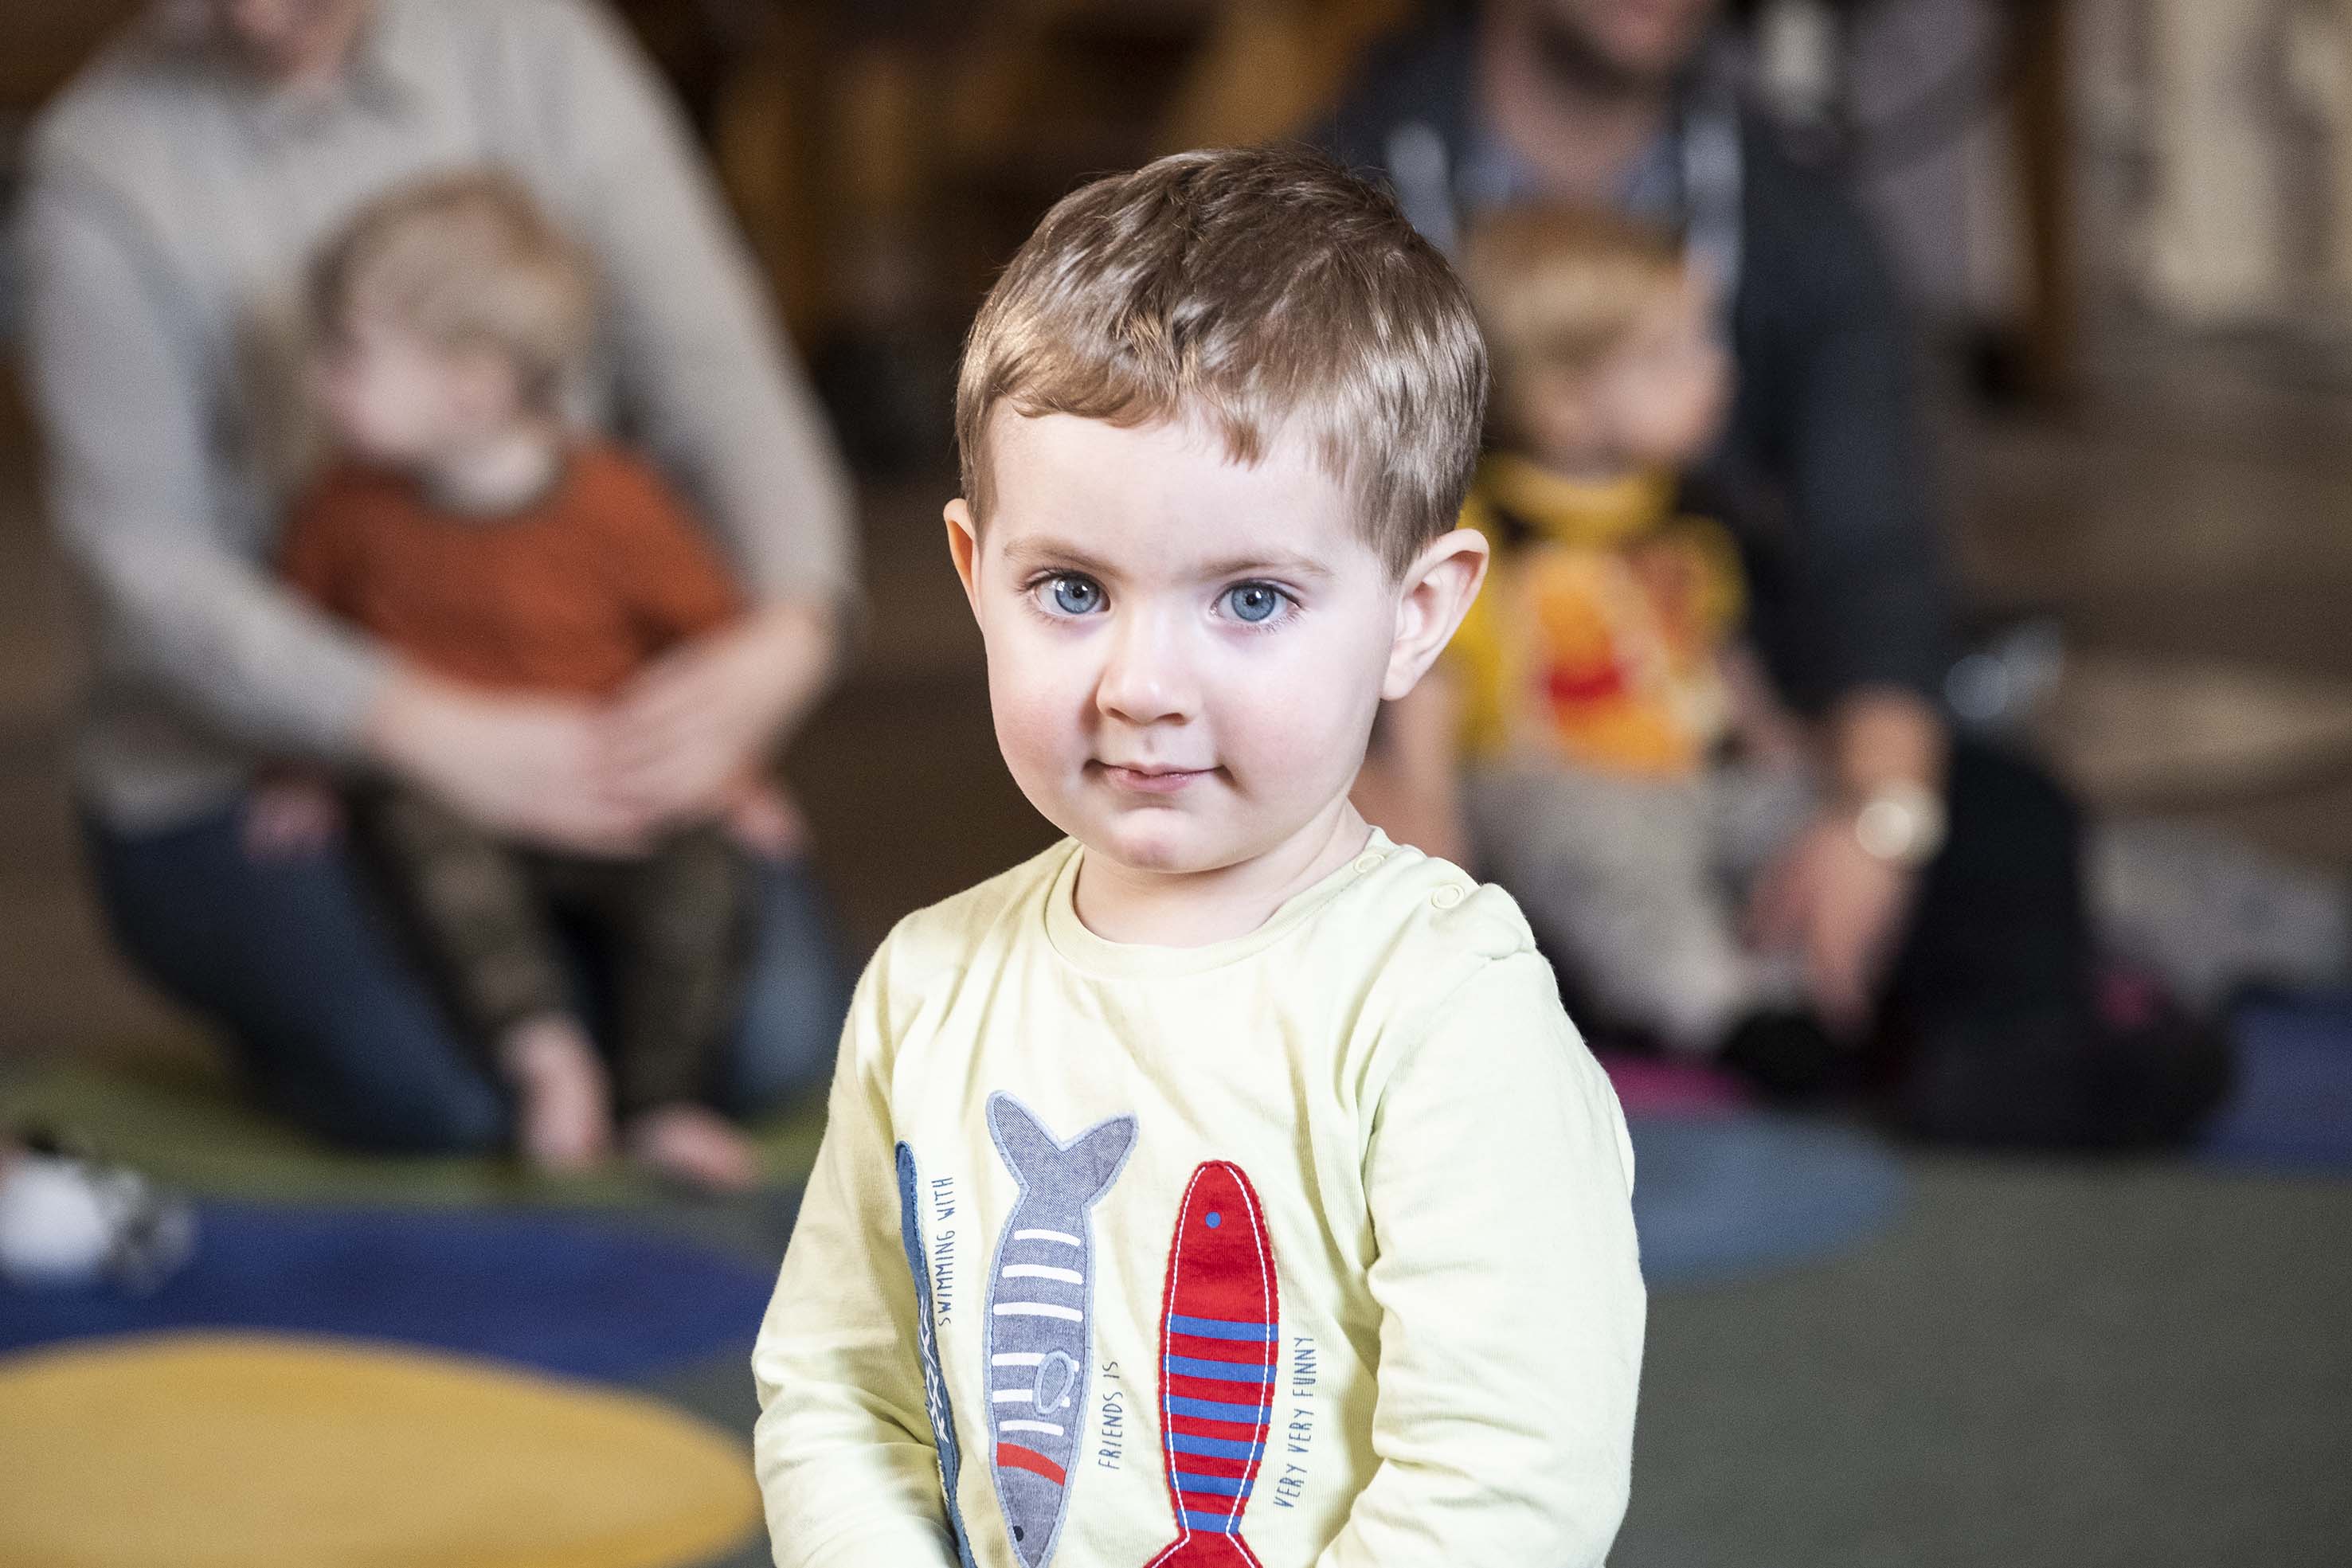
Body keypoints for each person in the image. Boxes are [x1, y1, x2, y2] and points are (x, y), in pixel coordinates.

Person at [750, 149, 1643, 1567]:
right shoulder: (927, 982)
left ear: (1417, 616)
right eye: (1069, 590)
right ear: (976, 578)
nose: (1139, 683)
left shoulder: (1442, 1008)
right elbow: (837, 1392)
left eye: (1246, 596)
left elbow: (1502, 1482)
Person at [1329, 0, 2232, 1143]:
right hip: (1425, 778)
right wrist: (1353, 786)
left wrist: (1874, 814)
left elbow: (1878, 562)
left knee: (2004, 812)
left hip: (1708, 758)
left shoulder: (1799, 218)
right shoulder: (1333, 188)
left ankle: (2004, 1058)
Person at [22, 0, 854, 1152]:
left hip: (577, 734)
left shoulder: (546, 53)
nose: (258, 20)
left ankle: (553, 1005)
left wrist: (775, 654)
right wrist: (397, 726)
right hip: (263, 766)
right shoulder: (97, 173)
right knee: (455, 1103)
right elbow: (146, 569)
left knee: (769, 1043)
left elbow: (721, 384)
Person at [265, 170, 784, 1187]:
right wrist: (304, 767)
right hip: (453, 802)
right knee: (419, 840)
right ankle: (543, 1052)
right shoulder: (344, 509)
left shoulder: (617, 504)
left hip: (611, 793)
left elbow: (711, 644)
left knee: (708, 879)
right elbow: (300, 650)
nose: (322, 380)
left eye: (350, 354)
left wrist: (739, 769)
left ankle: (659, 1099)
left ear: (473, 385)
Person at [1372, 201, 1836, 1074]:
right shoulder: (1487, 532)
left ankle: (1805, 985)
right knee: (1611, 861)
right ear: (1565, 405)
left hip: (1689, 777)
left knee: (1797, 822)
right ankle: (1723, 1008)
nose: (1719, 371)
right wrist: (1433, 841)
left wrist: (1781, 752)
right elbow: (1436, 688)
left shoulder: (1690, 516)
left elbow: (1718, 656)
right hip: (1547, 785)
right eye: (1672, 356)